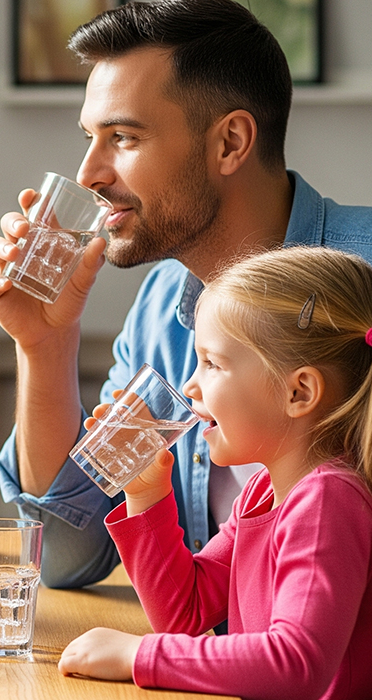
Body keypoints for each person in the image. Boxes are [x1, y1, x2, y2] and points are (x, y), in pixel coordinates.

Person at [0, 0, 372, 589]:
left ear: (230, 143)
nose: (89, 172)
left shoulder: (363, 278)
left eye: (123, 137)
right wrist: (44, 343)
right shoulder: (162, 310)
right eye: (91, 137)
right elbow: (66, 555)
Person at [58, 246, 372, 699]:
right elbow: (184, 612)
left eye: (212, 363)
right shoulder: (264, 493)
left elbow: (296, 665)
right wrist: (146, 496)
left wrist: (139, 656)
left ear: (299, 391)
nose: (189, 385)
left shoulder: (327, 501)